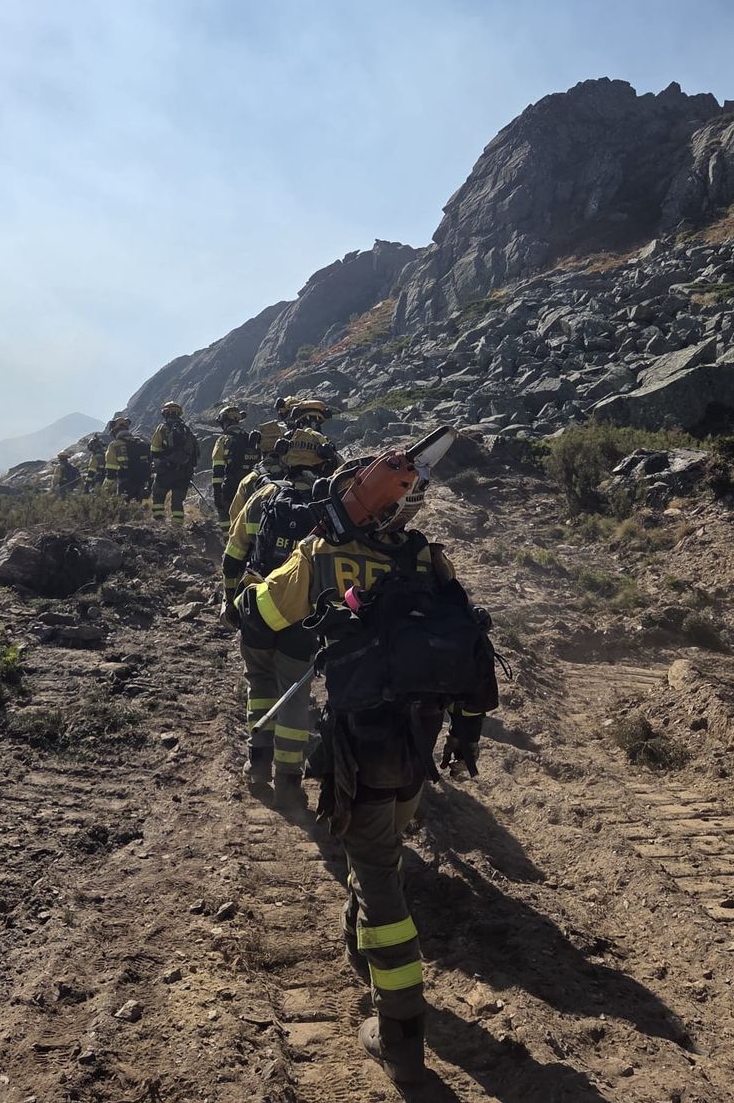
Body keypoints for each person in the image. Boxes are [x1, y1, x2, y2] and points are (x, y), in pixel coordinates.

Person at [237, 442, 496, 1084]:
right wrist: (465, 733)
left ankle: (401, 1033)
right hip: (420, 741)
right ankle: (362, 940)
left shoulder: (323, 553)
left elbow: (261, 617)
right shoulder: (428, 558)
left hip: (361, 742)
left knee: (380, 877)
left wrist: (255, 591)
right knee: (382, 847)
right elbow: (472, 645)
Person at [220, 436, 338, 801]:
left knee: (259, 682)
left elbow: (233, 555)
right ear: (322, 462)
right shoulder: (330, 507)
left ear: (286, 459)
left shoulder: (263, 496)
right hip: (303, 616)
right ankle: (288, 780)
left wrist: (231, 602)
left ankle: (257, 764)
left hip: (257, 605)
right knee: (294, 693)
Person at [150, 401, 199, 525]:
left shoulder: (163, 428)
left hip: (166, 471)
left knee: (158, 495)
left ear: (165, 413)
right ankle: (177, 526)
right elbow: (194, 454)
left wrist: (160, 463)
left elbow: (154, 449)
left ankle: (160, 523)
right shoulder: (187, 430)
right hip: (184, 473)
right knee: (177, 502)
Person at [211, 406, 255, 529]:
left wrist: (217, 492)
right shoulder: (250, 438)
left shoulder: (223, 440)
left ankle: (228, 538)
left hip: (231, 485)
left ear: (225, 421)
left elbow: (218, 469)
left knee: (225, 513)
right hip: (251, 484)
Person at [102, 417, 148, 502]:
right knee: (137, 507)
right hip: (141, 483)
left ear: (115, 431)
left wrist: (104, 487)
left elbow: (111, 472)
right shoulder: (140, 443)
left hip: (124, 483)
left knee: (124, 507)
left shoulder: (114, 445)